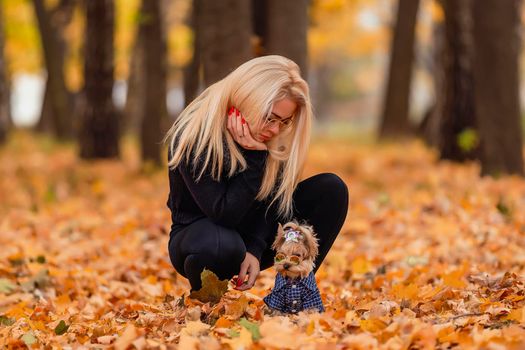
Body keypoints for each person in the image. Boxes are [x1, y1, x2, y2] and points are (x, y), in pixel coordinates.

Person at [164, 55, 348, 292]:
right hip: (202, 239)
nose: (274, 129)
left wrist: (255, 247)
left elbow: (274, 202)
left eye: (284, 121)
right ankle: (206, 300)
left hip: (253, 233)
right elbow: (223, 214)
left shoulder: (274, 137)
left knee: (331, 189)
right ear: (248, 100)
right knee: (222, 243)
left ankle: (293, 294)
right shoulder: (195, 135)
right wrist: (255, 159)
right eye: (269, 117)